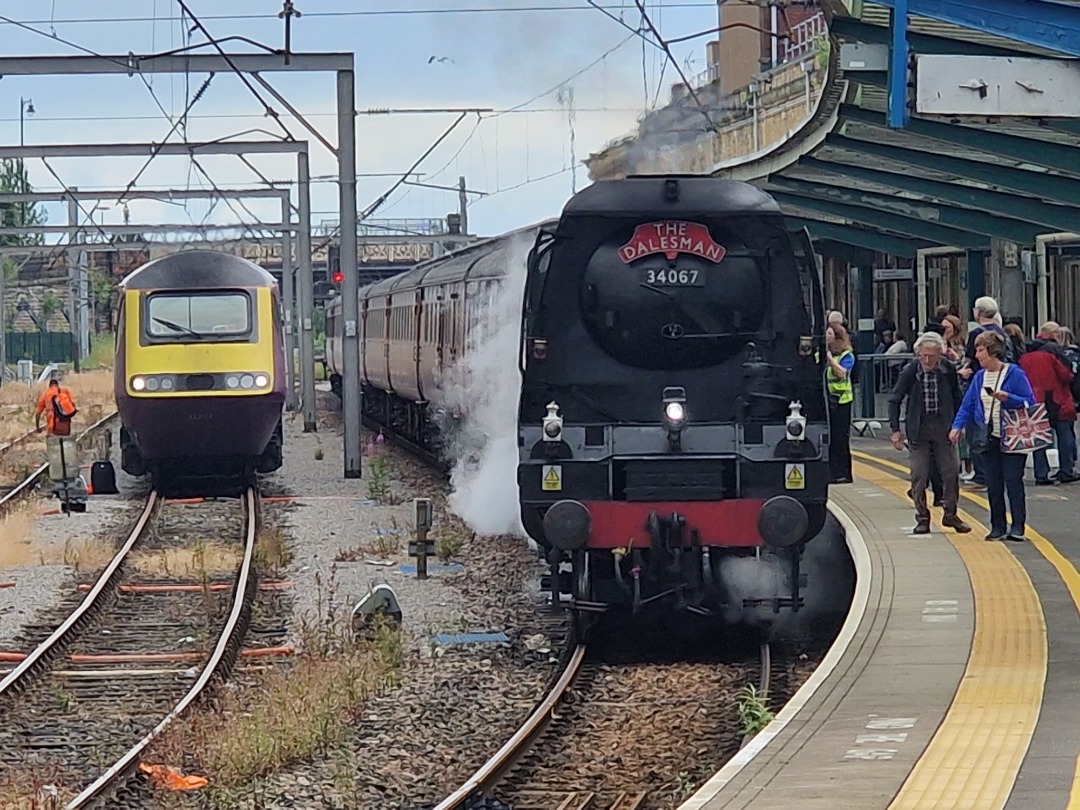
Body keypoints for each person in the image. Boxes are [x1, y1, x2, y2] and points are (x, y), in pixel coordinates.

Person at [950, 331, 1036, 542]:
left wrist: (1009, 398)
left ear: (992, 351)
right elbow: (968, 404)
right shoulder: (979, 377)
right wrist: (957, 426)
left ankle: (1017, 526)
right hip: (987, 436)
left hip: (1012, 435)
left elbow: (1030, 401)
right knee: (993, 482)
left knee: (1013, 480)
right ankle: (997, 526)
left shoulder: (1014, 373)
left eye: (980, 350)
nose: (977, 355)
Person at [889, 332, 971, 534]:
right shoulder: (911, 371)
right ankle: (922, 516)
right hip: (919, 427)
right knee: (919, 474)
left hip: (944, 426)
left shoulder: (947, 370)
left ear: (939, 355)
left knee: (951, 471)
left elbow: (957, 397)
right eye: (923, 356)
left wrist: (958, 425)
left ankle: (950, 514)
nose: (927, 360)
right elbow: (895, 398)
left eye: (931, 356)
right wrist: (895, 430)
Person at [1019, 321, 1077, 484]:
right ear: (1053, 334)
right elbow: (1067, 375)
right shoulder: (1055, 351)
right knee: (1064, 436)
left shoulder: (1026, 353)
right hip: (1057, 398)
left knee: (1040, 438)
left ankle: (1041, 473)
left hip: (1035, 400)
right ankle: (1066, 470)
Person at [826, 323, 855, 483]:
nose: (826, 338)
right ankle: (831, 472)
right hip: (828, 401)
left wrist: (830, 360)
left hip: (842, 401)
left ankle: (844, 473)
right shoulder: (823, 354)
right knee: (830, 438)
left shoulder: (846, 356)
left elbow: (842, 373)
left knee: (841, 439)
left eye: (829, 334)